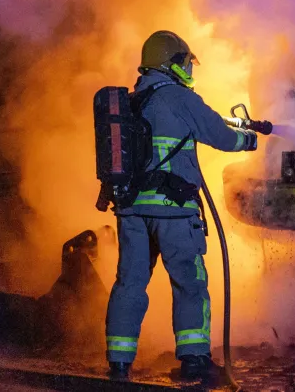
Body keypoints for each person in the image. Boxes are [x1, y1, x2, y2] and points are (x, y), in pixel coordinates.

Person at [105, 30, 258, 382]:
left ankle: (119, 363)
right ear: (170, 62)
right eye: (185, 61)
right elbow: (221, 136)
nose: (189, 69)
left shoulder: (130, 101)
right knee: (189, 281)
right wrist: (248, 140)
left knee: (129, 283)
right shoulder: (180, 98)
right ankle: (194, 361)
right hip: (173, 210)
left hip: (131, 211)